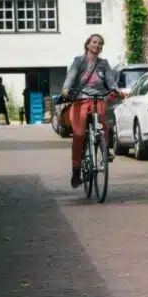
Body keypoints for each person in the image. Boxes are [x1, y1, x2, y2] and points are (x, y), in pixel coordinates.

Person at [60, 34, 123, 188]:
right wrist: (66, 89)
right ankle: (76, 169)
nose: (97, 45)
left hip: (98, 99)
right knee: (79, 134)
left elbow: (110, 80)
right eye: (94, 42)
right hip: (80, 100)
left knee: (103, 125)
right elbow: (71, 76)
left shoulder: (104, 64)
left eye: (100, 43)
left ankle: (104, 149)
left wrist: (116, 90)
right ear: (88, 44)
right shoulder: (78, 61)